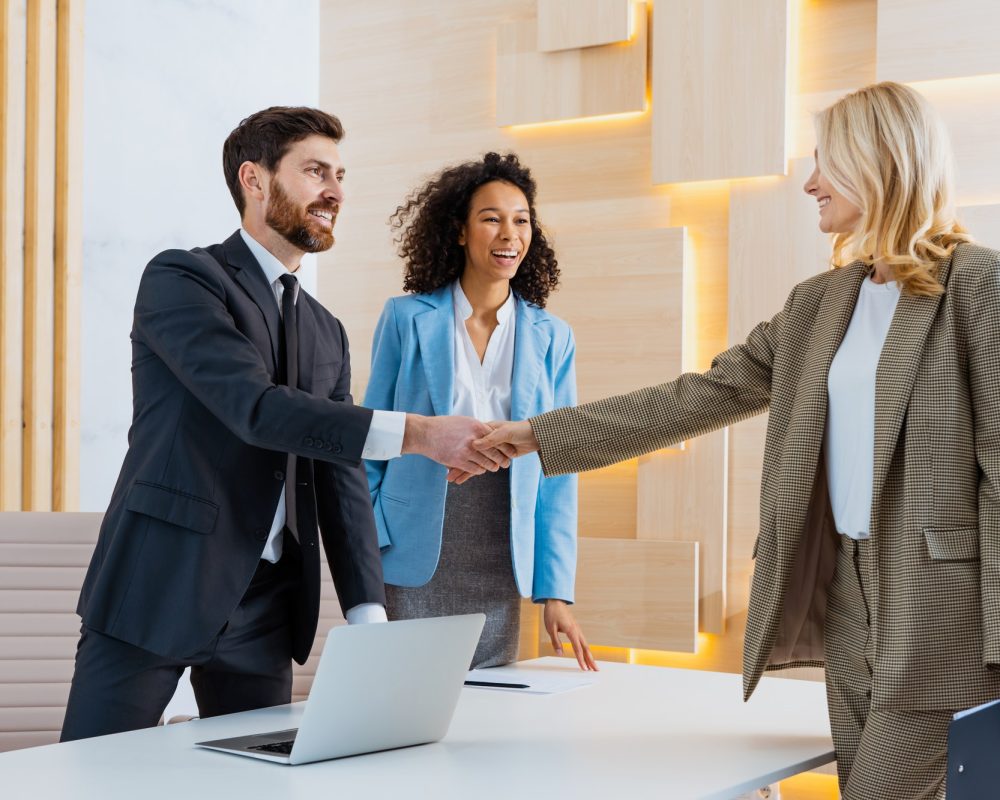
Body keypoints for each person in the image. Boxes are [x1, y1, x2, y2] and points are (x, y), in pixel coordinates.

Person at [475, 82, 1000, 798]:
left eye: (826, 161)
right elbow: (699, 396)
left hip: (943, 611)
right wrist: (537, 435)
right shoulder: (819, 303)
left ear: (880, 163)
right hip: (846, 598)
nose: (811, 181)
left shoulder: (978, 287)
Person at [60, 107, 512, 742]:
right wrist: (420, 434)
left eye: (341, 175)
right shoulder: (184, 279)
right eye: (315, 171)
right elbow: (255, 410)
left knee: (256, 787)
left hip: (268, 608)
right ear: (255, 178)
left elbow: (338, 472)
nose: (336, 191)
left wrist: (368, 615)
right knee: (87, 779)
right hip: (158, 586)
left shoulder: (325, 328)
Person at [363, 153, 596, 670]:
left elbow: (560, 468)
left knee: (488, 709)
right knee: (403, 698)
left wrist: (555, 591)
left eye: (521, 220)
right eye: (491, 218)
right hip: (411, 545)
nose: (508, 233)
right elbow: (372, 435)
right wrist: (374, 536)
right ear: (461, 232)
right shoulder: (405, 318)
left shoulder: (552, 336)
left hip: (501, 543)